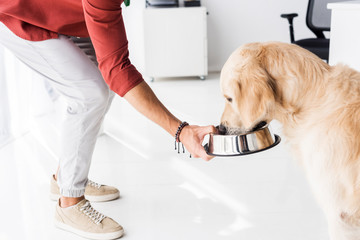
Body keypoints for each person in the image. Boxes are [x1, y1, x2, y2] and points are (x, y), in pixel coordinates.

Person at [0, 0, 216, 239]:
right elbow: (118, 69)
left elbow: (114, 63)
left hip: (67, 12)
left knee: (101, 81)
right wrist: (181, 131)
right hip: (19, 13)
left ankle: (65, 178)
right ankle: (69, 203)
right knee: (89, 94)